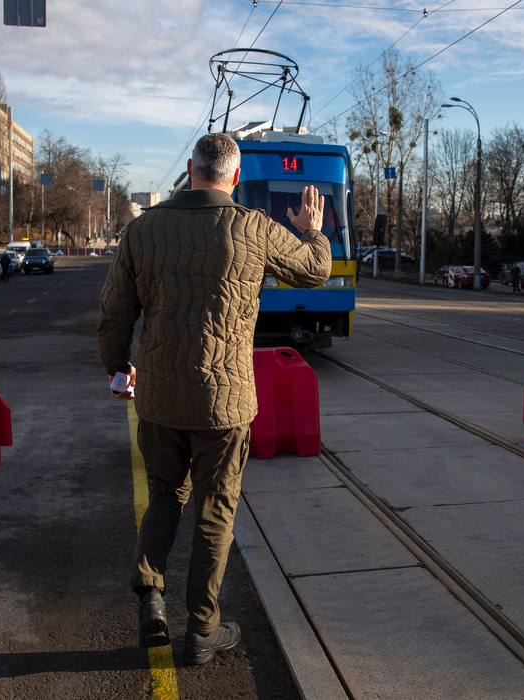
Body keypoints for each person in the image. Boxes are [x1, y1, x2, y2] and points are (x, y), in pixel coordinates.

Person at [98, 133, 331, 666]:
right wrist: (313, 233)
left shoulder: (141, 230)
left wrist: (117, 369)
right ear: (236, 175)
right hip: (225, 406)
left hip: (158, 398)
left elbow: (114, 313)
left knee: (164, 494)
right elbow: (315, 272)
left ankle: (150, 589)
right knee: (215, 512)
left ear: (189, 169)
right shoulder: (253, 228)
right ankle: (203, 630)